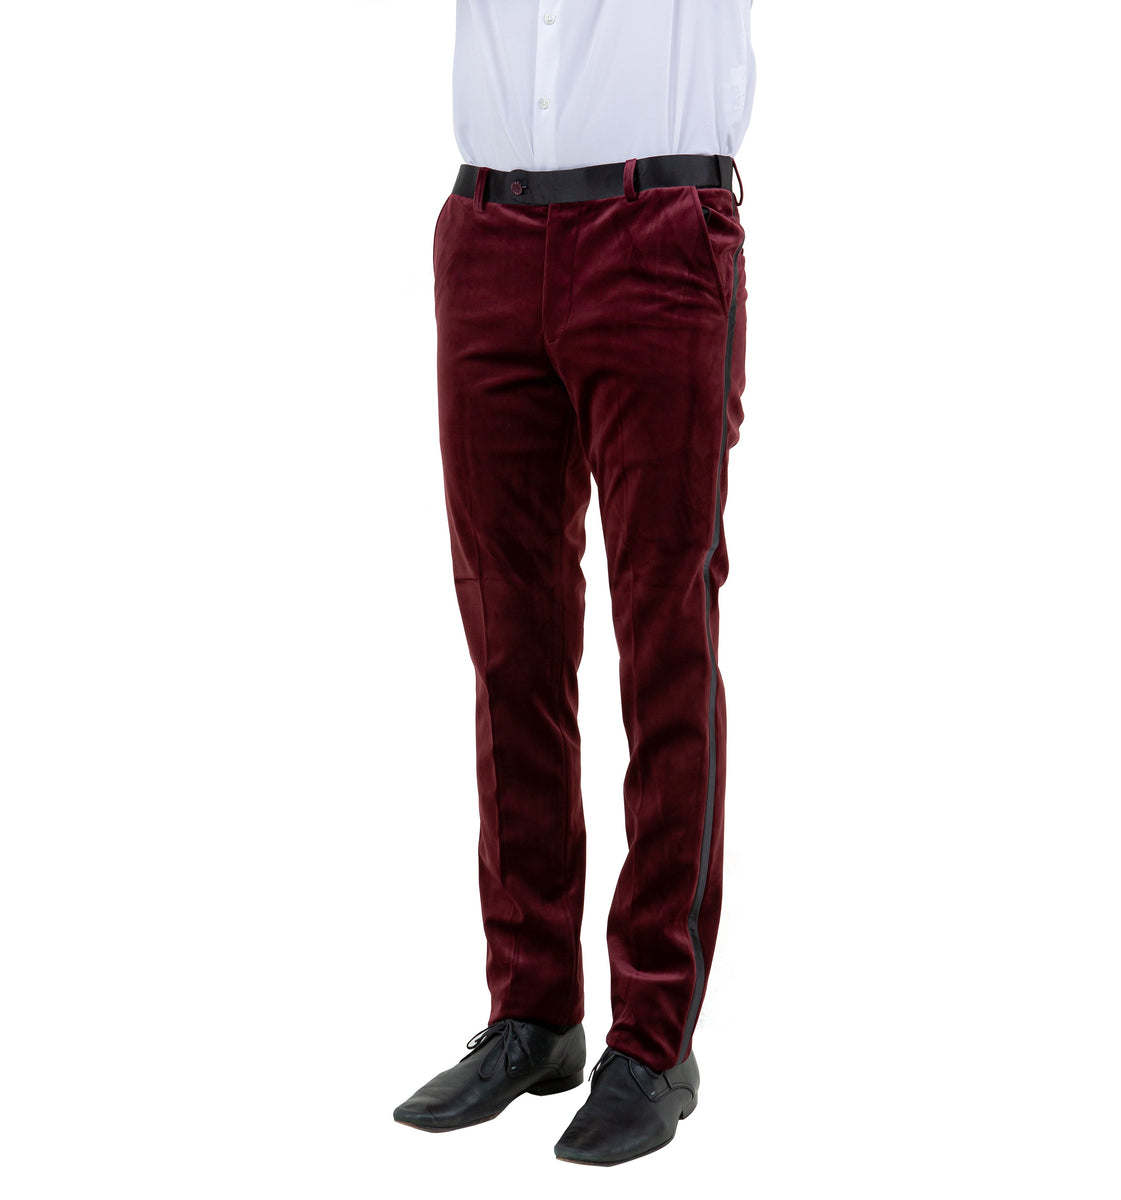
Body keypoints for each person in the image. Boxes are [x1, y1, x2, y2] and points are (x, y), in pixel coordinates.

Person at [393, 0, 756, 1166]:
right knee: (510, 640)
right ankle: (533, 1010)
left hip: (659, 229)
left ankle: (654, 1041)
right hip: (487, 229)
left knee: (665, 638)